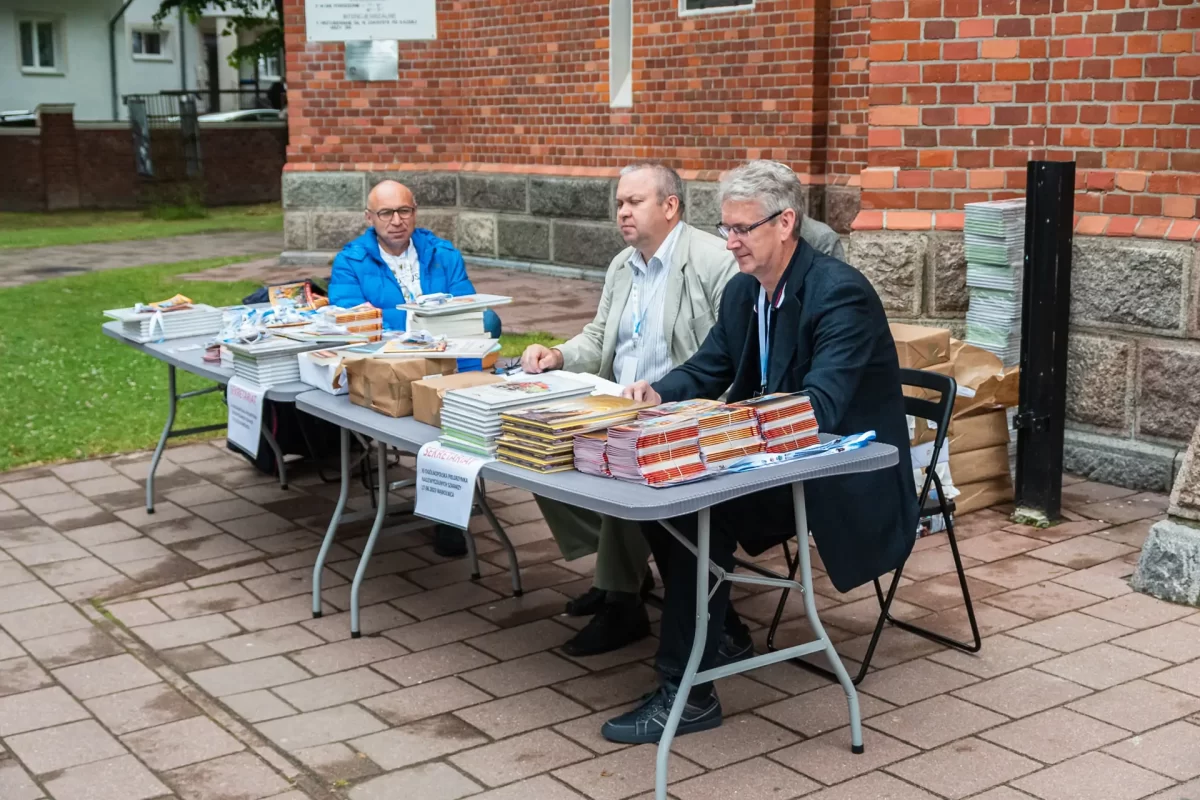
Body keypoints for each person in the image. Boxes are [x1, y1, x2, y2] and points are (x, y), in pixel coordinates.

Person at [601, 160, 918, 744]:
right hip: (773, 456)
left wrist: (730, 431)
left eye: (743, 228)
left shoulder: (839, 293)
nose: (731, 242)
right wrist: (658, 392)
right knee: (657, 487)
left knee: (698, 510)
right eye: (726, 228)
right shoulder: (746, 290)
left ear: (785, 223)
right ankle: (719, 631)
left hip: (839, 470)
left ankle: (687, 695)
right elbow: (710, 365)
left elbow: (821, 406)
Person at [518, 163, 739, 656]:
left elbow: (725, 358)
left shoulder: (712, 260)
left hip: (679, 409)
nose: (622, 212)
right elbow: (601, 335)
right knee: (538, 450)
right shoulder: (623, 264)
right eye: (619, 203)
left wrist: (668, 400)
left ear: (670, 206)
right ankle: (622, 568)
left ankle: (622, 601)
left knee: (621, 467)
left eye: (634, 202)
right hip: (616, 403)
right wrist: (556, 355)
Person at [329, 179, 500, 558]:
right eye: (386, 213)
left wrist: (428, 325)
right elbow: (352, 320)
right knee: (431, 417)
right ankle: (446, 508)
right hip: (390, 366)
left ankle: (448, 513)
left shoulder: (442, 253)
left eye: (404, 211)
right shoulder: (351, 260)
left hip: (451, 360)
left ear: (415, 211)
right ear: (369, 217)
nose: (396, 221)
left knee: (458, 406)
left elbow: (466, 309)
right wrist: (417, 320)